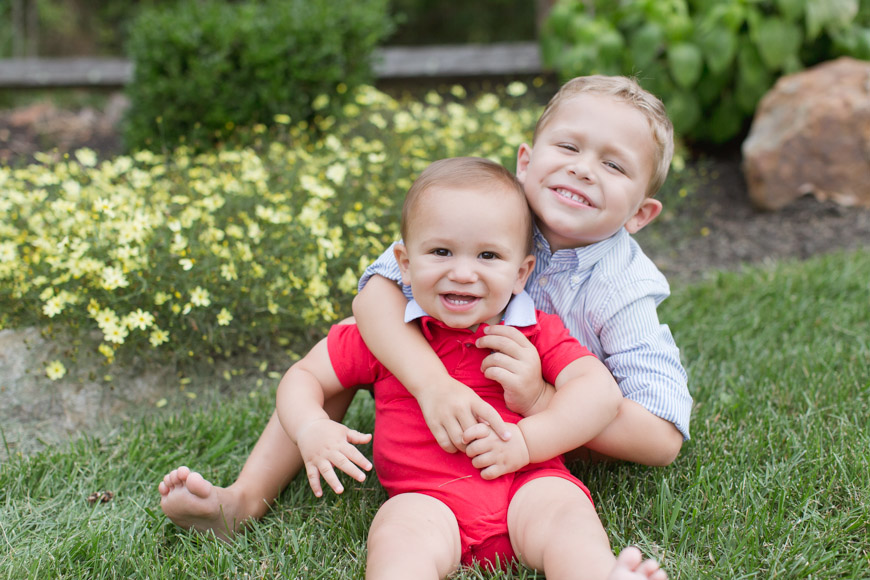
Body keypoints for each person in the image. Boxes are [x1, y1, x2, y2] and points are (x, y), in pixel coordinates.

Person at [158, 74, 691, 541]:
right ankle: (246, 497)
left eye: (613, 164)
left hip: (555, 430)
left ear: (641, 213)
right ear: (526, 162)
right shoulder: (478, 206)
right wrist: (432, 385)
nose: (582, 170)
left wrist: (538, 399)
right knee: (355, 338)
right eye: (568, 147)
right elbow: (375, 297)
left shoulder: (624, 288)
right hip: (443, 397)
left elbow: (661, 436)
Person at [274, 156, 666, 579]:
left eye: (488, 255)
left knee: (568, 521)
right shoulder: (391, 339)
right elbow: (305, 376)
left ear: (520, 274)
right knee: (397, 537)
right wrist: (310, 425)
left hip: (528, 484)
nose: (463, 273)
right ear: (404, 263)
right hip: (425, 499)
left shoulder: (530, 333)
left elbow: (599, 393)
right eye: (441, 252)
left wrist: (527, 442)